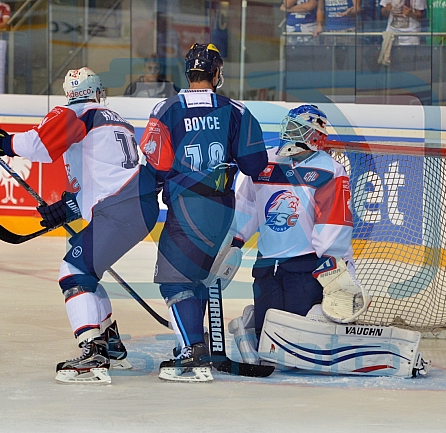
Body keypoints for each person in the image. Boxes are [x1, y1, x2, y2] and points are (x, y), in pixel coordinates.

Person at [0, 67, 160, 384]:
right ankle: (110, 346)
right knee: (83, 266)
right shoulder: (115, 119)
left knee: (73, 272)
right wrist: (69, 206)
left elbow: (39, 146)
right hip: (133, 204)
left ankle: (92, 353)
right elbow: (105, 175)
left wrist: (0, 142)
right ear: (98, 91)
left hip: (121, 208)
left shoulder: (77, 113)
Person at [139, 43, 268, 382]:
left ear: (189, 73)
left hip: (186, 210)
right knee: (198, 278)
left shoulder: (166, 109)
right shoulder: (237, 111)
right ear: (215, 73)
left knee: (174, 282)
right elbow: (256, 165)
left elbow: (153, 167)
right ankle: (201, 342)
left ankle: (193, 352)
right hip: (223, 212)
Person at [228, 104, 353, 347]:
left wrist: (334, 259)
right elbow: (247, 204)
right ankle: (254, 321)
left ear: (314, 135)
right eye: (288, 125)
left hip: (304, 267)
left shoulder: (330, 170)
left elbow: (333, 221)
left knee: (299, 338)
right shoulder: (264, 161)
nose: (288, 132)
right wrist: (236, 239)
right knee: (267, 339)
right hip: (267, 264)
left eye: (296, 127)